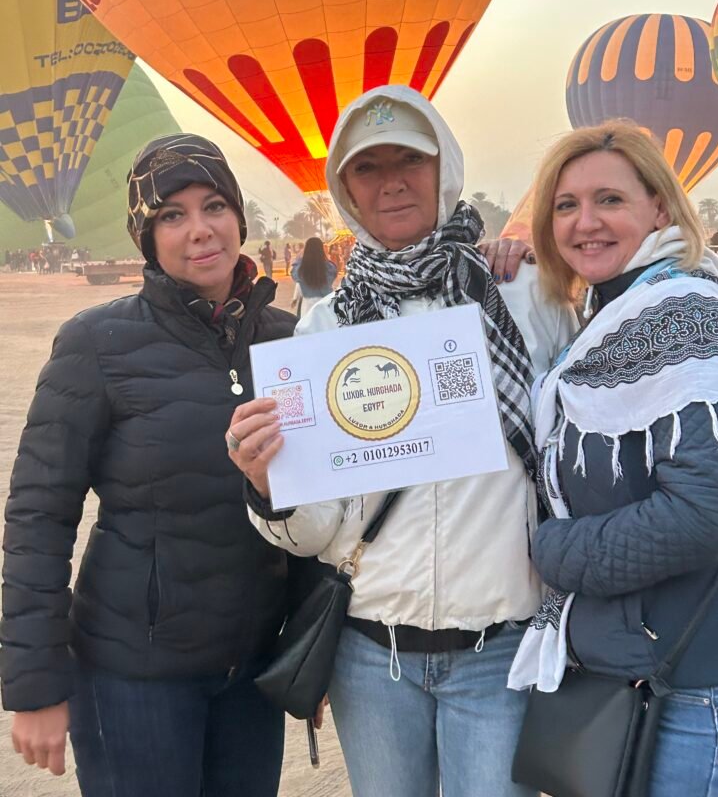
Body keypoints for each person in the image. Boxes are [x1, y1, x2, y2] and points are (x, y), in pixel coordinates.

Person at [227, 84, 573, 797]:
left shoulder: (526, 294)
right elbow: (318, 530)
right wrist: (268, 486)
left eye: (410, 160)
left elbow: (591, 435)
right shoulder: (325, 327)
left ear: (444, 167)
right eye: (367, 167)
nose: (391, 182)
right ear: (345, 189)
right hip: (371, 657)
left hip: (500, 651)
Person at [0, 134, 295, 797]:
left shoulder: (286, 341)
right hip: (132, 676)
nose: (199, 230)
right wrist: (36, 685)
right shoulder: (97, 343)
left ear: (238, 217)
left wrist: (310, 648)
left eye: (214, 206)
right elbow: (40, 514)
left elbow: (316, 509)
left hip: (252, 671)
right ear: (146, 237)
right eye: (171, 215)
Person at [507, 121, 718, 797]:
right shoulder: (607, 318)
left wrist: (552, 550)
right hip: (644, 672)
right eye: (566, 205)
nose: (585, 222)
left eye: (610, 200)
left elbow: (699, 514)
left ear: (659, 207)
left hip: (699, 692)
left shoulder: (686, 315)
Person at [290, 236, 337, 316]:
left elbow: (295, 276)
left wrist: (300, 258)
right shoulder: (329, 267)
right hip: (326, 303)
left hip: (307, 305)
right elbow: (333, 273)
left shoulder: (300, 268)